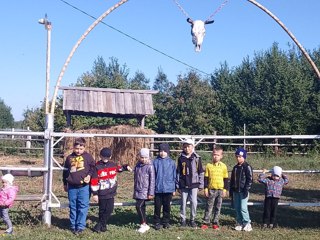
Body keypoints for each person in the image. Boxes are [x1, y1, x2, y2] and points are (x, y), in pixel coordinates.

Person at [91, 147, 132, 233]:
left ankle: (99, 224)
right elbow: (94, 181)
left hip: (111, 192)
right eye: (103, 157)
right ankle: (103, 226)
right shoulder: (97, 166)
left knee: (109, 209)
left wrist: (126, 166)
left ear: (110, 156)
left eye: (107, 157)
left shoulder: (112, 164)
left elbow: (119, 169)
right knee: (102, 210)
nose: (105, 159)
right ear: (100, 156)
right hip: (101, 192)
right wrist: (95, 193)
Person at [63, 137, 96, 234]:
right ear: (73, 147)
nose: (78, 151)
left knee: (83, 206)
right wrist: (65, 183)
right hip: (72, 187)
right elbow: (65, 172)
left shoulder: (88, 157)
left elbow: (93, 168)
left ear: (84, 148)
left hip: (84, 187)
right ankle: (73, 225)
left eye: (81, 149)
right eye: (76, 148)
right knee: (73, 206)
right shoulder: (69, 158)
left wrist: (89, 176)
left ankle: (80, 226)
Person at [176, 138, 204, 228]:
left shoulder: (197, 158)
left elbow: (200, 172)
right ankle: (183, 220)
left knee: (194, 202)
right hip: (183, 184)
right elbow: (178, 173)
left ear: (192, 147)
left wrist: (201, 183)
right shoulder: (180, 158)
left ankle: (192, 219)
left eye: (189, 147)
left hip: (194, 184)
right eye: (185, 147)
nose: (187, 149)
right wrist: (177, 184)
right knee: (183, 202)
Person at [201, 146, 228, 230]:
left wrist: (225, 190)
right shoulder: (209, 166)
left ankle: (215, 222)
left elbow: (226, 179)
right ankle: (206, 222)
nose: (215, 156)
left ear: (221, 156)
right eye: (214, 154)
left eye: (217, 155)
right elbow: (205, 178)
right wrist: (205, 189)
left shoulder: (224, 166)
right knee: (209, 206)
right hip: (211, 189)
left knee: (218, 206)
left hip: (220, 190)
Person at [153, 143, 176, 230]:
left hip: (168, 189)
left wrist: (174, 188)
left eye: (164, 151)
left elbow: (174, 176)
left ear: (168, 152)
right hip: (158, 188)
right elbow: (153, 176)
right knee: (157, 206)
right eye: (161, 151)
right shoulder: (155, 162)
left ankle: (166, 221)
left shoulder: (172, 162)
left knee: (167, 206)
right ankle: (157, 222)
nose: (162, 153)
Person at [229, 148, 253, 232]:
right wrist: (231, 189)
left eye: (240, 156)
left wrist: (246, 189)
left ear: (244, 157)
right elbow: (232, 179)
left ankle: (247, 223)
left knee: (243, 208)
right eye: (237, 156)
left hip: (243, 191)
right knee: (237, 207)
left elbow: (250, 179)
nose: (238, 158)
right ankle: (239, 222)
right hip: (236, 191)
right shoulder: (235, 168)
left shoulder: (247, 167)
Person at [133, 148, 155, 233]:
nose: (144, 159)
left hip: (145, 191)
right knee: (141, 207)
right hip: (138, 189)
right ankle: (144, 223)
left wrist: (151, 192)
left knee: (138, 206)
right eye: (142, 157)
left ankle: (144, 224)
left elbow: (152, 180)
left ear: (148, 157)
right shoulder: (138, 165)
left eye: (146, 157)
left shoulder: (150, 166)